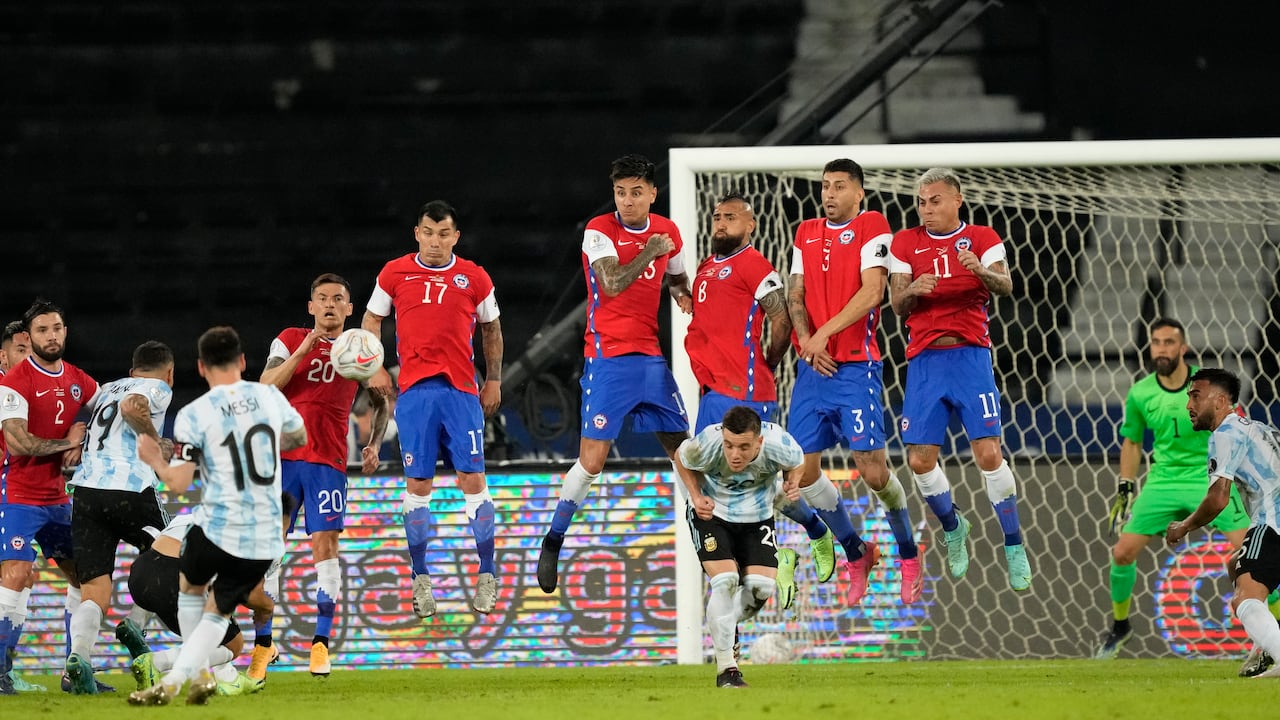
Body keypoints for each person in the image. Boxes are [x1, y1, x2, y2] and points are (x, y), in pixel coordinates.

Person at [536, 154, 694, 594]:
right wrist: (650, 250)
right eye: (620, 192)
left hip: (651, 359)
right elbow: (611, 284)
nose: (627, 200)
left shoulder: (668, 231)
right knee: (592, 462)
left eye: (636, 192)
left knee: (684, 452)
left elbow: (677, 277)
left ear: (653, 194)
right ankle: (553, 539)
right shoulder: (599, 230)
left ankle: (710, 537)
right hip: (607, 357)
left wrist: (685, 296)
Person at [127, 326, 306, 706]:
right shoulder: (269, 397)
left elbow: (178, 482)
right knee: (217, 611)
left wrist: (156, 459)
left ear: (201, 367)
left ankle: (185, 677)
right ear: (242, 361)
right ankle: (184, 678)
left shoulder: (194, 414)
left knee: (191, 591)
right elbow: (299, 437)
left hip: (216, 527)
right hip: (261, 533)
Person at [684, 191, 835, 605]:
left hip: (745, 393)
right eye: (717, 217)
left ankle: (806, 536)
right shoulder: (706, 267)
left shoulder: (755, 264)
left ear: (750, 225)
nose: (721, 223)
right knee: (711, 490)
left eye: (731, 217)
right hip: (712, 391)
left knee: (754, 484)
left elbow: (781, 319)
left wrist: (767, 361)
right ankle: (777, 552)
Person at [887, 167, 1030, 593]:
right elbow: (896, 303)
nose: (926, 209)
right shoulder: (905, 242)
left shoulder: (982, 238)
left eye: (935, 201)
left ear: (957, 200)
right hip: (925, 361)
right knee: (919, 461)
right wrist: (914, 289)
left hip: (970, 357)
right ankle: (953, 526)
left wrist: (979, 271)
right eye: (921, 202)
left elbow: (1005, 285)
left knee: (988, 454)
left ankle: (1014, 544)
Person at [786, 158, 922, 606]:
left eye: (839, 186)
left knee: (873, 471)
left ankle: (908, 552)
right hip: (813, 367)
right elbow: (795, 292)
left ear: (859, 192)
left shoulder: (871, 225)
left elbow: (873, 292)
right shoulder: (805, 232)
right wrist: (808, 342)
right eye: (825, 186)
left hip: (855, 367)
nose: (829, 194)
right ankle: (856, 551)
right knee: (802, 474)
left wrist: (823, 334)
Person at [363, 200, 503, 618]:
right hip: (415, 395)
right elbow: (371, 320)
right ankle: (420, 579)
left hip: (461, 391)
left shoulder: (475, 276)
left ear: (455, 237)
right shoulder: (394, 273)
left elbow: (492, 328)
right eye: (428, 233)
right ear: (417, 234)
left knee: (472, 479)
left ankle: (487, 573)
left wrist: (494, 379)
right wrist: (374, 367)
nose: (436, 241)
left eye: (444, 234)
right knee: (418, 485)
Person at [1090, 319, 1252, 659]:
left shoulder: (1209, 387)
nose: (1161, 349)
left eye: (1168, 342)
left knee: (1254, 553)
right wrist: (1125, 486)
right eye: (1156, 342)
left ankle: (1273, 630)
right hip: (1162, 481)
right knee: (1122, 552)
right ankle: (1120, 626)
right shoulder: (1141, 393)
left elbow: (1236, 428)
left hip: (1208, 477)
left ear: (1183, 348)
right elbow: (1132, 442)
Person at [261, 272, 389, 677]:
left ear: (349, 308)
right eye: (322, 298)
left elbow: (382, 401)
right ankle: (264, 645)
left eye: (337, 298)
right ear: (311, 306)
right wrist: (304, 349)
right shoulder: (289, 338)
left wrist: (375, 442)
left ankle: (320, 644)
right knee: (270, 550)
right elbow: (266, 384)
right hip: (283, 460)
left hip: (328, 463)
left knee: (325, 546)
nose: (329, 304)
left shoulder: (359, 348)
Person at [62, 341, 177, 693]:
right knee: (172, 551)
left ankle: (79, 658)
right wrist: (156, 441)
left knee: (94, 588)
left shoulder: (109, 388)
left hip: (86, 492)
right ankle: (134, 626)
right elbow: (132, 406)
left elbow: (108, 408)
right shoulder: (157, 387)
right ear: (170, 372)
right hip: (128, 489)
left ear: (132, 370)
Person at [0, 299, 96, 696]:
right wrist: (69, 442)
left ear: (65, 331)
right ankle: (0, 672)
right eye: (42, 330)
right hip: (18, 495)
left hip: (57, 497)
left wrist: (82, 428)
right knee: (17, 574)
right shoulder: (15, 381)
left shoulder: (77, 378)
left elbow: (102, 407)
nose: (51, 336)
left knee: (84, 576)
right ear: (30, 335)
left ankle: (76, 671)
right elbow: (18, 444)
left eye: (56, 328)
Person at [673, 405, 802, 688]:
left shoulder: (778, 443)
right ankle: (727, 670)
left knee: (760, 590)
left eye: (744, 447)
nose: (734, 454)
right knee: (725, 582)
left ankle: (726, 624)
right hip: (712, 514)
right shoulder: (707, 442)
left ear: (759, 442)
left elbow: (797, 460)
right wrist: (695, 496)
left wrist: (792, 481)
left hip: (757, 518)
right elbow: (681, 458)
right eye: (729, 445)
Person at [1165, 368, 1280, 678]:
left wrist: (1184, 526)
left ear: (1219, 401)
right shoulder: (1259, 429)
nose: (1188, 405)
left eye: (1195, 396)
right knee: (1235, 566)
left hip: (1274, 520)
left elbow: (1218, 498)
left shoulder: (1225, 434)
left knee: (1245, 598)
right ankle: (1264, 649)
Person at [127, 513, 268, 697]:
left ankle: (229, 678)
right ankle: (156, 662)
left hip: (140, 574)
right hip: (171, 577)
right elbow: (249, 594)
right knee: (234, 644)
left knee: (212, 630)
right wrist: (266, 608)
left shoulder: (193, 515)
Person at [0, 320, 42, 694]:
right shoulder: (5, 393)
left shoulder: (29, 393)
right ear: (3, 357)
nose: (28, 358)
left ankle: (6, 671)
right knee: (14, 575)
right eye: (19, 351)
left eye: (31, 351)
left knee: (24, 576)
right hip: (6, 493)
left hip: (21, 495)